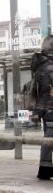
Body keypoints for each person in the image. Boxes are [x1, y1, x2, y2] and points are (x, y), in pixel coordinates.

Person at [31, 34, 53, 179]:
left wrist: (37, 111)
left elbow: (37, 90)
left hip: (45, 109)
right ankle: (45, 171)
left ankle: (45, 170)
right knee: (49, 139)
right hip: (51, 108)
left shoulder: (40, 64)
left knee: (48, 138)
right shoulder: (50, 66)